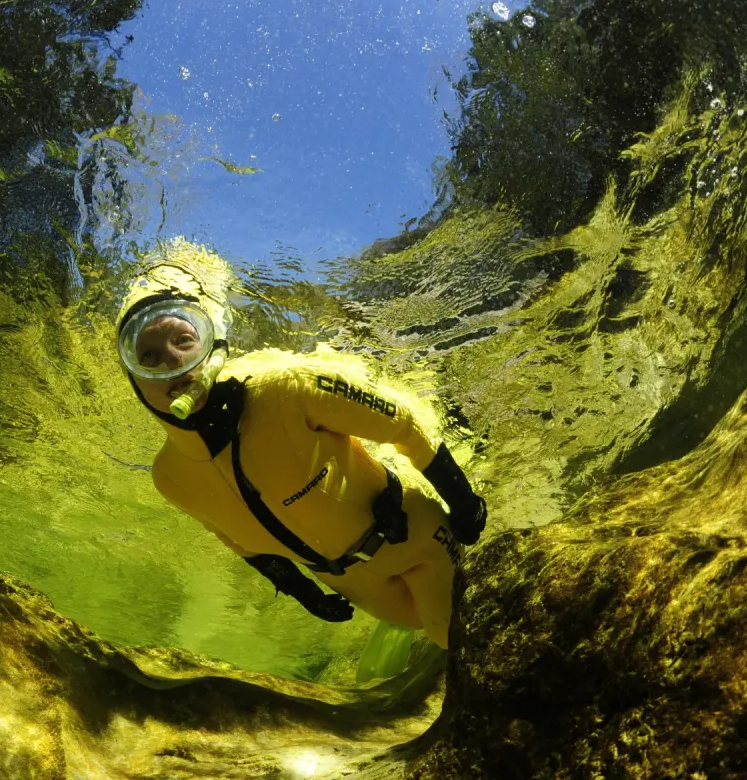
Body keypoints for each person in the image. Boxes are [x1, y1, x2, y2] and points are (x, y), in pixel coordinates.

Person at [117, 241, 487, 651]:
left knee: (449, 637)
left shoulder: (288, 387)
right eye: (147, 356)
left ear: (212, 347)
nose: (171, 361)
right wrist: (302, 591)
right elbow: (237, 541)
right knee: (417, 626)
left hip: (416, 542)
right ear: (136, 382)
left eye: (184, 339)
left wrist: (462, 498)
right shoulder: (169, 477)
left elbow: (403, 426)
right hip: (351, 584)